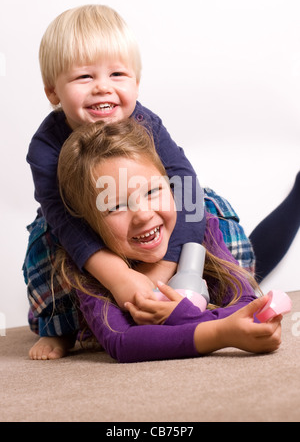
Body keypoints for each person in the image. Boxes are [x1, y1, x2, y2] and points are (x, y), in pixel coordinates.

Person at [23, 4, 298, 360]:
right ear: (53, 92)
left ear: (137, 82)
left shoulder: (146, 122)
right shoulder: (46, 147)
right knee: (48, 237)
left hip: (159, 229)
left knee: (203, 208)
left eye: (118, 74)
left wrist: (162, 270)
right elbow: (64, 219)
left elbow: (183, 183)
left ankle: (212, 286)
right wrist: (120, 278)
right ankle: (60, 327)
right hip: (88, 231)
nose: (102, 88)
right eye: (84, 78)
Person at [54, 118, 282, 363]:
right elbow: (122, 341)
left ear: (171, 187)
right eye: (116, 206)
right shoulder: (92, 266)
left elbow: (246, 304)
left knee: (249, 266)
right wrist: (219, 332)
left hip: (221, 228)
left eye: (152, 191)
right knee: (51, 286)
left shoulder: (201, 228)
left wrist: (183, 317)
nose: (142, 214)